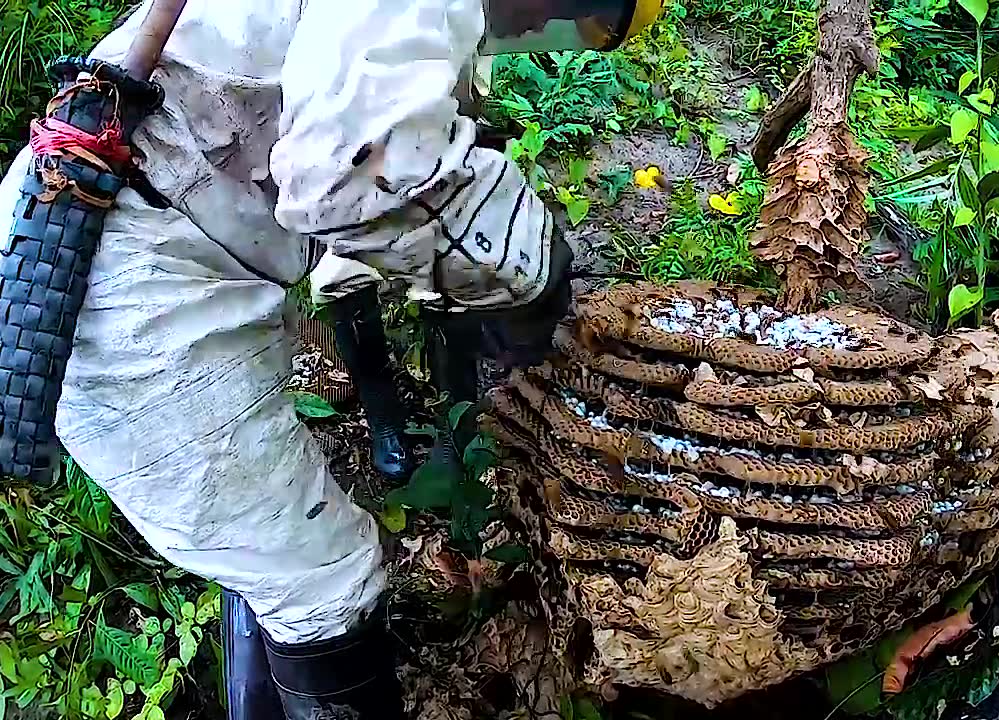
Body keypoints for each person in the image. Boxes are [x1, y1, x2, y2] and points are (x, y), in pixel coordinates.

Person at [0, 1, 660, 718]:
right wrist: (531, 272)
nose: (550, 39)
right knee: (320, 583)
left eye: (592, 41)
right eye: (587, 22)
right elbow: (352, 174)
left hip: (156, 240)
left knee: (267, 559)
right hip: (123, 289)